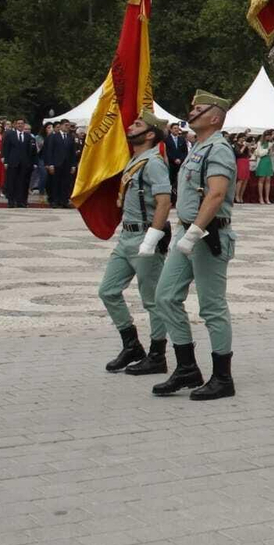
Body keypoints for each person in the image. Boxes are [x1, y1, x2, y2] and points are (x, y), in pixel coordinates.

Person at [152, 90, 239, 400]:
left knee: (212, 307)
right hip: (186, 232)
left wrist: (195, 232)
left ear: (214, 117)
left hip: (207, 236)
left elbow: (216, 194)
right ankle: (187, 367)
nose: (192, 113)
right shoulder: (197, 146)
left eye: (199, 109)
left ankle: (222, 377)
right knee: (164, 296)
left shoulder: (219, 149)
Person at [98, 113, 174, 375]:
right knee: (108, 291)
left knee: (152, 300)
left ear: (151, 134)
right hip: (126, 237)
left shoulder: (153, 163)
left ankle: (157, 355)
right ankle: (131, 344)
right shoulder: (134, 160)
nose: (131, 126)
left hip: (145, 235)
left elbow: (164, 201)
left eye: (138, 125)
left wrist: (152, 238)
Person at [2, 118, 36, 208]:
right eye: (18, 123)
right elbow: (5, 148)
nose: (20, 125)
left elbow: (32, 151)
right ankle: (11, 201)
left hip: (24, 163)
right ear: (15, 125)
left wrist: (31, 163)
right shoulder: (10, 135)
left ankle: (21, 201)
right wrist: (5, 161)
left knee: (22, 183)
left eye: (22, 123)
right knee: (11, 182)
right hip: (13, 162)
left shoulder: (28, 136)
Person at [165, 122, 190, 199]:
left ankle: (181, 197)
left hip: (181, 164)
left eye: (177, 128)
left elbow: (185, 151)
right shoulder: (166, 140)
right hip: (171, 164)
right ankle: (172, 198)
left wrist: (181, 159)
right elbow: (167, 152)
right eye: (175, 128)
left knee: (181, 181)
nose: (176, 130)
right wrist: (174, 159)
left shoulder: (182, 139)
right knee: (172, 181)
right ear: (171, 129)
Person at [254, 130, 274, 203]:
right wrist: (268, 149)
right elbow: (259, 153)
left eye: (269, 135)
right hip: (262, 161)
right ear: (264, 136)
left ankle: (267, 198)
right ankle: (261, 198)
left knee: (268, 180)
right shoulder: (260, 143)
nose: (268, 137)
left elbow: (272, 154)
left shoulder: (271, 143)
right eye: (267, 135)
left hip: (269, 161)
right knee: (261, 180)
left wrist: (272, 149)